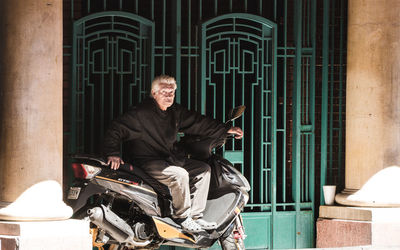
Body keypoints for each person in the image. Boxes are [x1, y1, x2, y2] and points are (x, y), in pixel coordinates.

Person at [103, 75, 243, 233]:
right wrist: (113, 153)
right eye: (164, 92)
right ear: (154, 93)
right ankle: (182, 217)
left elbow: (198, 122)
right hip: (146, 161)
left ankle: (195, 217)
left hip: (168, 159)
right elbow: (115, 129)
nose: (169, 96)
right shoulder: (140, 113)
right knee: (180, 175)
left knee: (203, 169)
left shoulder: (174, 112)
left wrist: (225, 130)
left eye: (171, 92)